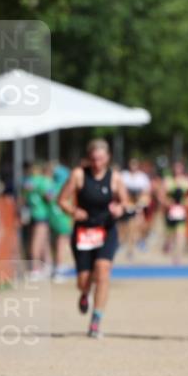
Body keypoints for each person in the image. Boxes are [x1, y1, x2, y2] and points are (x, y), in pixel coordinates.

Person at [57, 139, 129, 338]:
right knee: (83, 281)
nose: (97, 164)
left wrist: (119, 208)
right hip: (84, 232)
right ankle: (84, 293)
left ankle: (96, 319)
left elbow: (125, 201)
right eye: (93, 159)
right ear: (88, 159)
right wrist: (73, 210)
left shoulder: (115, 178)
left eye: (101, 159)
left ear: (107, 158)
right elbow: (61, 200)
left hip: (106, 230)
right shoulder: (78, 175)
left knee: (103, 271)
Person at [22, 162, 53, 278]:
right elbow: (50, 196)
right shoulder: (43, 181)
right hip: (41, 215)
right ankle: (41, 267)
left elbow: (25, 195)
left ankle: (40, 268)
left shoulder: (29, 180)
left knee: (39, 242)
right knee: (41, 242)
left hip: (37, 215)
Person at [160, 160, 188, 265]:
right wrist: (168, 203)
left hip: (181, 212)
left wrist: (186, 203)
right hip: (170, 212)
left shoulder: (186, 181)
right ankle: (167, 244)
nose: (177, 170)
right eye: (175, 168)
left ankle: (177, 256)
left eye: (179, 168)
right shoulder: (167, 181)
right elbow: (161, 196)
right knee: (170, 235)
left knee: (180, 235)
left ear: (182, 169)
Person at [47, 162, 74, 281]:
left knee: (56, 243)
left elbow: (48, 198)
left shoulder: (52, 186)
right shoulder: (64, 187)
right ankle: (58, 268)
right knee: (61, 243)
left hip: (53, 217)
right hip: (62, 218)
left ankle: (56, 266)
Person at [121, 158, 152, 259]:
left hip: (139, 205)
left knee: (140, 225)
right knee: (130, 227)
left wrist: (141, 202)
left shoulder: (142, 177)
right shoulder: (124, 176)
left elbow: (146, 192)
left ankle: (139, 241)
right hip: (128, 205)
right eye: (131, 165)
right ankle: (130, 249)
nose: (133, 167)